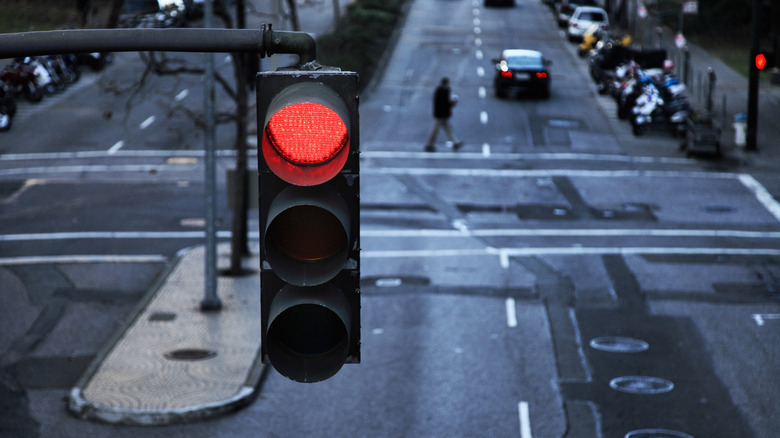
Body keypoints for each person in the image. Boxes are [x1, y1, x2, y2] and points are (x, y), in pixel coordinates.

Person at [425, 77, 463, 152]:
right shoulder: (441, 91)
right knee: (436, 130)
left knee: (448, 129)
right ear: (445, 83)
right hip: (440, 115)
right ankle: (429, 145)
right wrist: (452, 103)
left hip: (443, 115)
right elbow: (443, 104)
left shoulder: (443, 90)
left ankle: (455, 142)